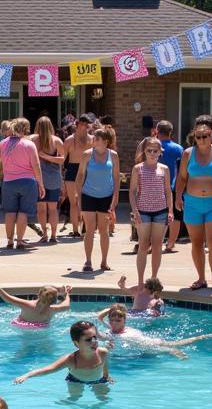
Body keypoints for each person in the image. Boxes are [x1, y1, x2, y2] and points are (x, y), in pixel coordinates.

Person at [174, 118, 212, 292]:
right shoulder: (188, 154)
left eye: (206, 136)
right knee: (196, 242)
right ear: (195, 136)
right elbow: (182, 178)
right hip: (192, 203)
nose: (202, 140)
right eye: (199, 136)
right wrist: (178, 196)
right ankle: (201, 278)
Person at [14, 320, 112, 396]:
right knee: (74, 399)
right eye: (88, 339)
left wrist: (107, 376)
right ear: (76, 343)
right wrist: (27, 375)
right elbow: (49, 369)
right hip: (76, 381)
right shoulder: (71, 360)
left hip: (98, 380)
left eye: (95, 337)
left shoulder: (103, 352)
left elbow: (104, 366)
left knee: (103, 399)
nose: (94, 341)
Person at [0, 118, 44, 249]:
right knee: (23, 212)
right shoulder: (29, 144)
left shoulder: (4, 142)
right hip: (28, 182)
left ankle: (10, 240)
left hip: (9, 182)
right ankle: (20, 241)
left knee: (10, 212)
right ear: (26, 129)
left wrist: (3, 159)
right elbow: (36, 166)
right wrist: (41, 184)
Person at [130, 136, 174, 286]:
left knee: (157, 245)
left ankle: (153, 278)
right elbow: (132, 191)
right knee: (143, 244)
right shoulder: (138, 168)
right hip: (143, 211)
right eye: (149, 150)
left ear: (160, 152)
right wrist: (135, 210)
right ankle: (141, 280)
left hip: (161, 211)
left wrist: (171, 211)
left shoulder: (164, 169)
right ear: (144, 151)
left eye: (155, 151)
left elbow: (168, 191)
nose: (152, 153)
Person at [96, 303, 212, 359]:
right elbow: (99, 317)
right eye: (112, 319)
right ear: (109, 320)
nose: (115, 322)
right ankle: (200, 337)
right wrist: (113, 309)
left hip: (150, 344)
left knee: (172, 346)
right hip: (152, 340)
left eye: (118, 320)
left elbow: (101, 336)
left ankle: (178, 348)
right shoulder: (113, 330)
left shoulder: (122, 334)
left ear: (124, 321)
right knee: (177, 342)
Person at [76, 126, 120, 272]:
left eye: (98, 138)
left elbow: (116, 178)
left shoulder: (113, 156)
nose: (94, 140)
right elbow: (80, 175)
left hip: (106, 196)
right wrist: (78, 195)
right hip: (88, 195)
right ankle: (88, 261)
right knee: (89, 229)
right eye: (94, 138)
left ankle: (104, 261)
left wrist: (115, 199)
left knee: (104, 230)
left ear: (105, 141)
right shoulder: (87, 154)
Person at [32, 116, 65, 243]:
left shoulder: (33, 140)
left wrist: (43, 156)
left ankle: (45, 234)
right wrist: (49, 157)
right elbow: (62, 159)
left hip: (38, 178)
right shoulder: (57, 141)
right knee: (53, 208)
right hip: (53, 178)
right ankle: (53, 235)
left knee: (41, 208)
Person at [62, 113, 94, 237]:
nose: (84, 127)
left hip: (88, 169)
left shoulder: (92, 139)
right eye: (82, 124)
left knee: (86, 201)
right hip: (73, 169)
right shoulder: (69, 140)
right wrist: (60, 175)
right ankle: (75, 230)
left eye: (87, 125)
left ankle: (85, 227)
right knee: (73, 202)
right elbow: (62, 159)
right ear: (77, 125)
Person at [155, 120, 184, 253]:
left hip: (155, 185)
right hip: (174, 185)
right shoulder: (178, 148)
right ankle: (171, 243)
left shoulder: (154, 146)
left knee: (157, 214)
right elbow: (182, 169)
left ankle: (156, 241)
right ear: (170, 132)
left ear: (157, 131)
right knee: (176, 216)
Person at [0, 279, 71, 325]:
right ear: (54, 300)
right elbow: (66, 305)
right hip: (42, 329)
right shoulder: (53, 309)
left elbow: (8, 298)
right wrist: (67, 294)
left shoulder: (27, 305)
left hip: (22, 326)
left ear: (39, 294)